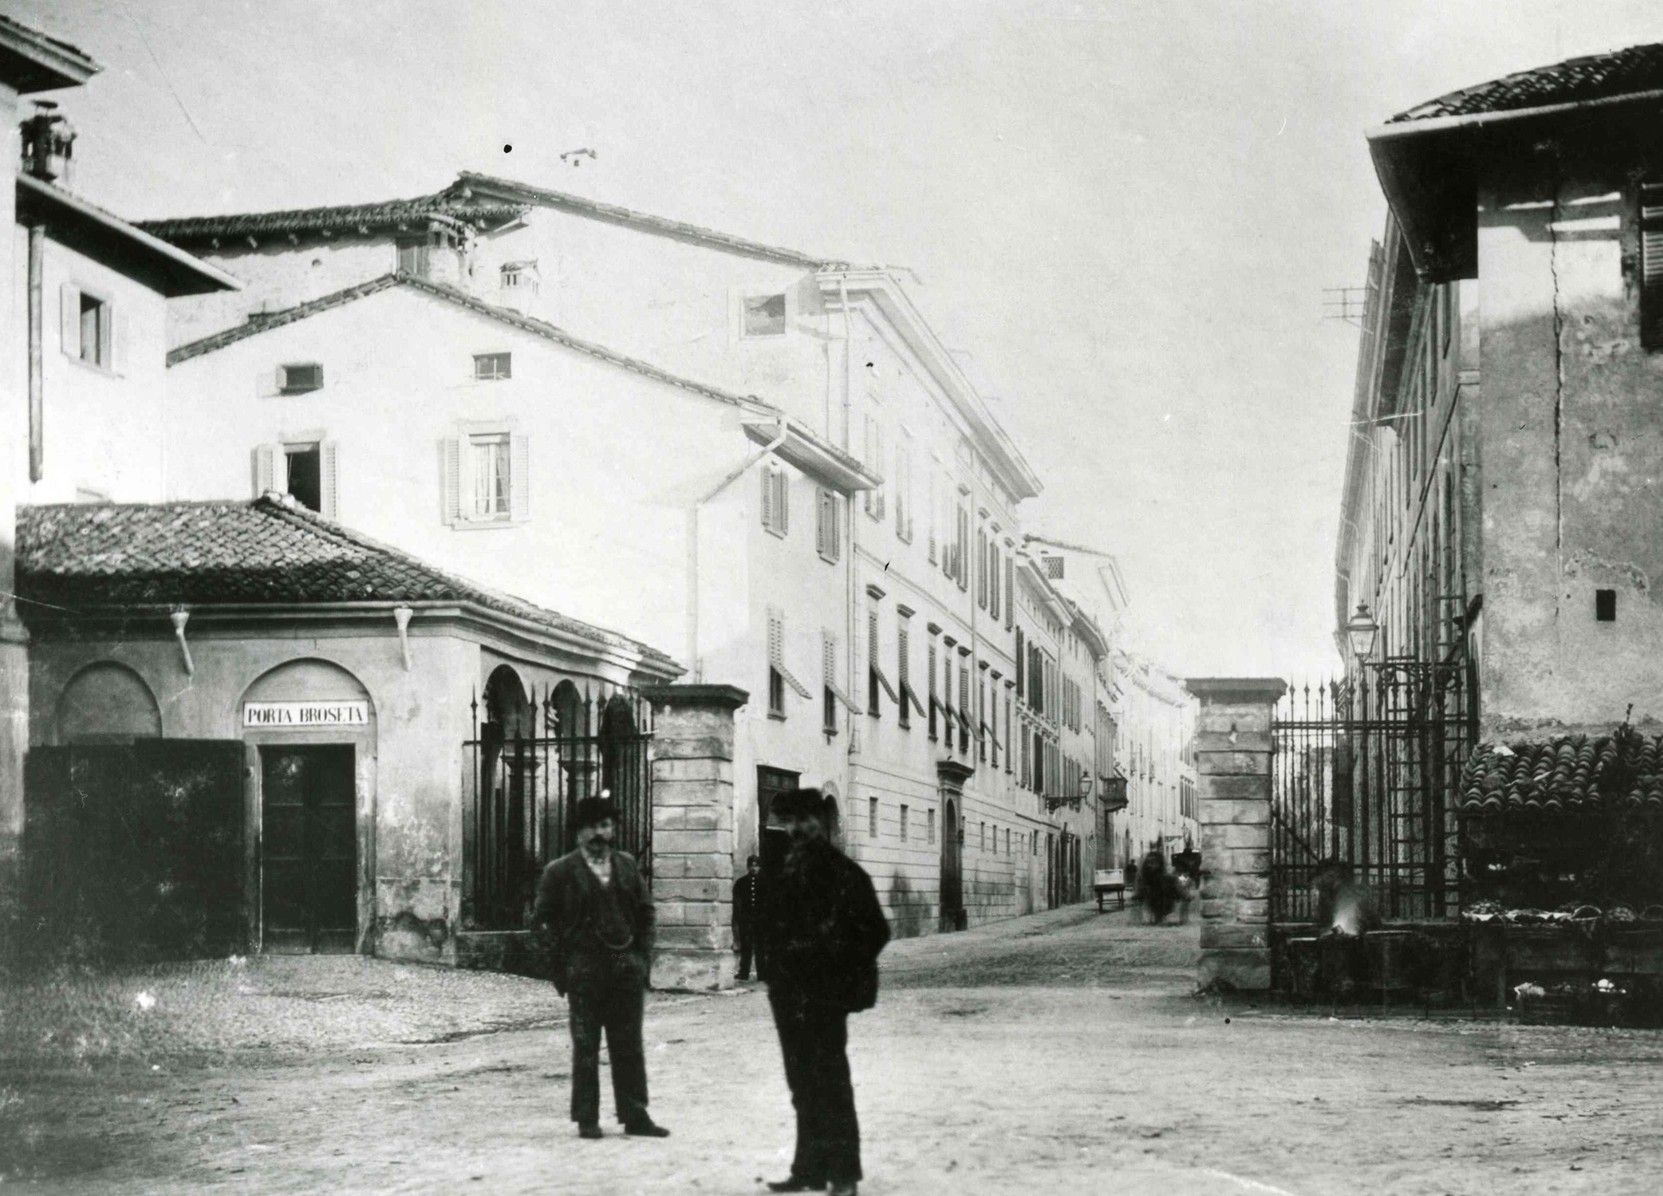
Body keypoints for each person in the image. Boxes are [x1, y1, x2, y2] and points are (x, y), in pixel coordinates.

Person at [763, 788, 890, 1196]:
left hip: (824, 996)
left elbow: (876, 930)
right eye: (789, 821)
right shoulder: (784, 870)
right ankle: (810, 1170)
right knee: (801, 1083)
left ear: (821, 822)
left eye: (804, 820)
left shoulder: (844, 873)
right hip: (789, 996)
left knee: (831, 1082)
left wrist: (834, 967)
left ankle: (845, 1176)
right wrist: (776, 971)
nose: (796, 828)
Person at [531, 795, 670, 1141]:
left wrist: (641, 959)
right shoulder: (559, 872)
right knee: (586, 1045)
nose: (598, 833)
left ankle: (635, 1114)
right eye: (590, 827)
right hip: (584, 969)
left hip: (625, 967)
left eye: (604, 825)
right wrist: (561, 970)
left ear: (613, 829)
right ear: (578, 832)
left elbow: (646, 913)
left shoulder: (627, 866)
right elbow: (542, 924)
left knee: (629, 1043)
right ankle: (587, 1118)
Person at [734, 853, 766, 982]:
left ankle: (762, 974)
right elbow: (737, 902)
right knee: (746, 946)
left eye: (756, 866)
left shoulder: (765, 882)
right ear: (747, 867)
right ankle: (744, 973)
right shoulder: (741, 882)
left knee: (760, 947)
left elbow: (769, 901)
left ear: (760, 867)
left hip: (761, 920)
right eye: (751, 866)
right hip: (746, 920)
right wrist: (740, 917)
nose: (754, 868)